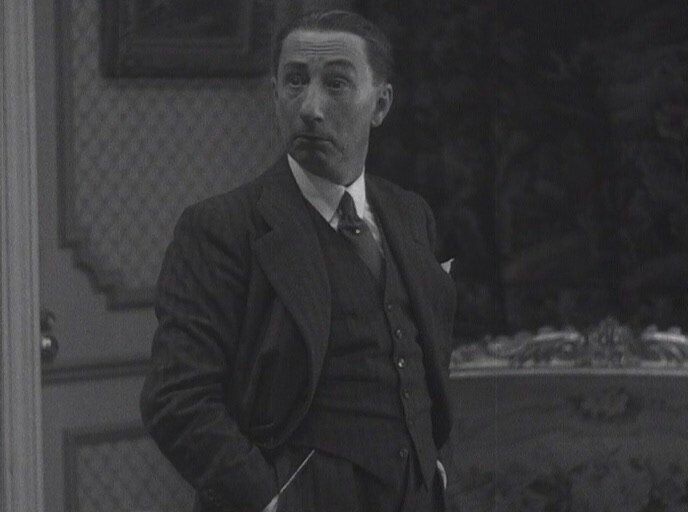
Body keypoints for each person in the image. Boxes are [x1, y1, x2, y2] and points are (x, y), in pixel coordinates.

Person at [140, 10, 457, 512]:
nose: (310, 107)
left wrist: (429, 460)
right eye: (294, 81)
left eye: (336, 84)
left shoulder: (409, 215)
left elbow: (422, 360)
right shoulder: (222, 228)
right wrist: (268, 498)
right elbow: (175, 399)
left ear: (380, 104)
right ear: (275, 95)